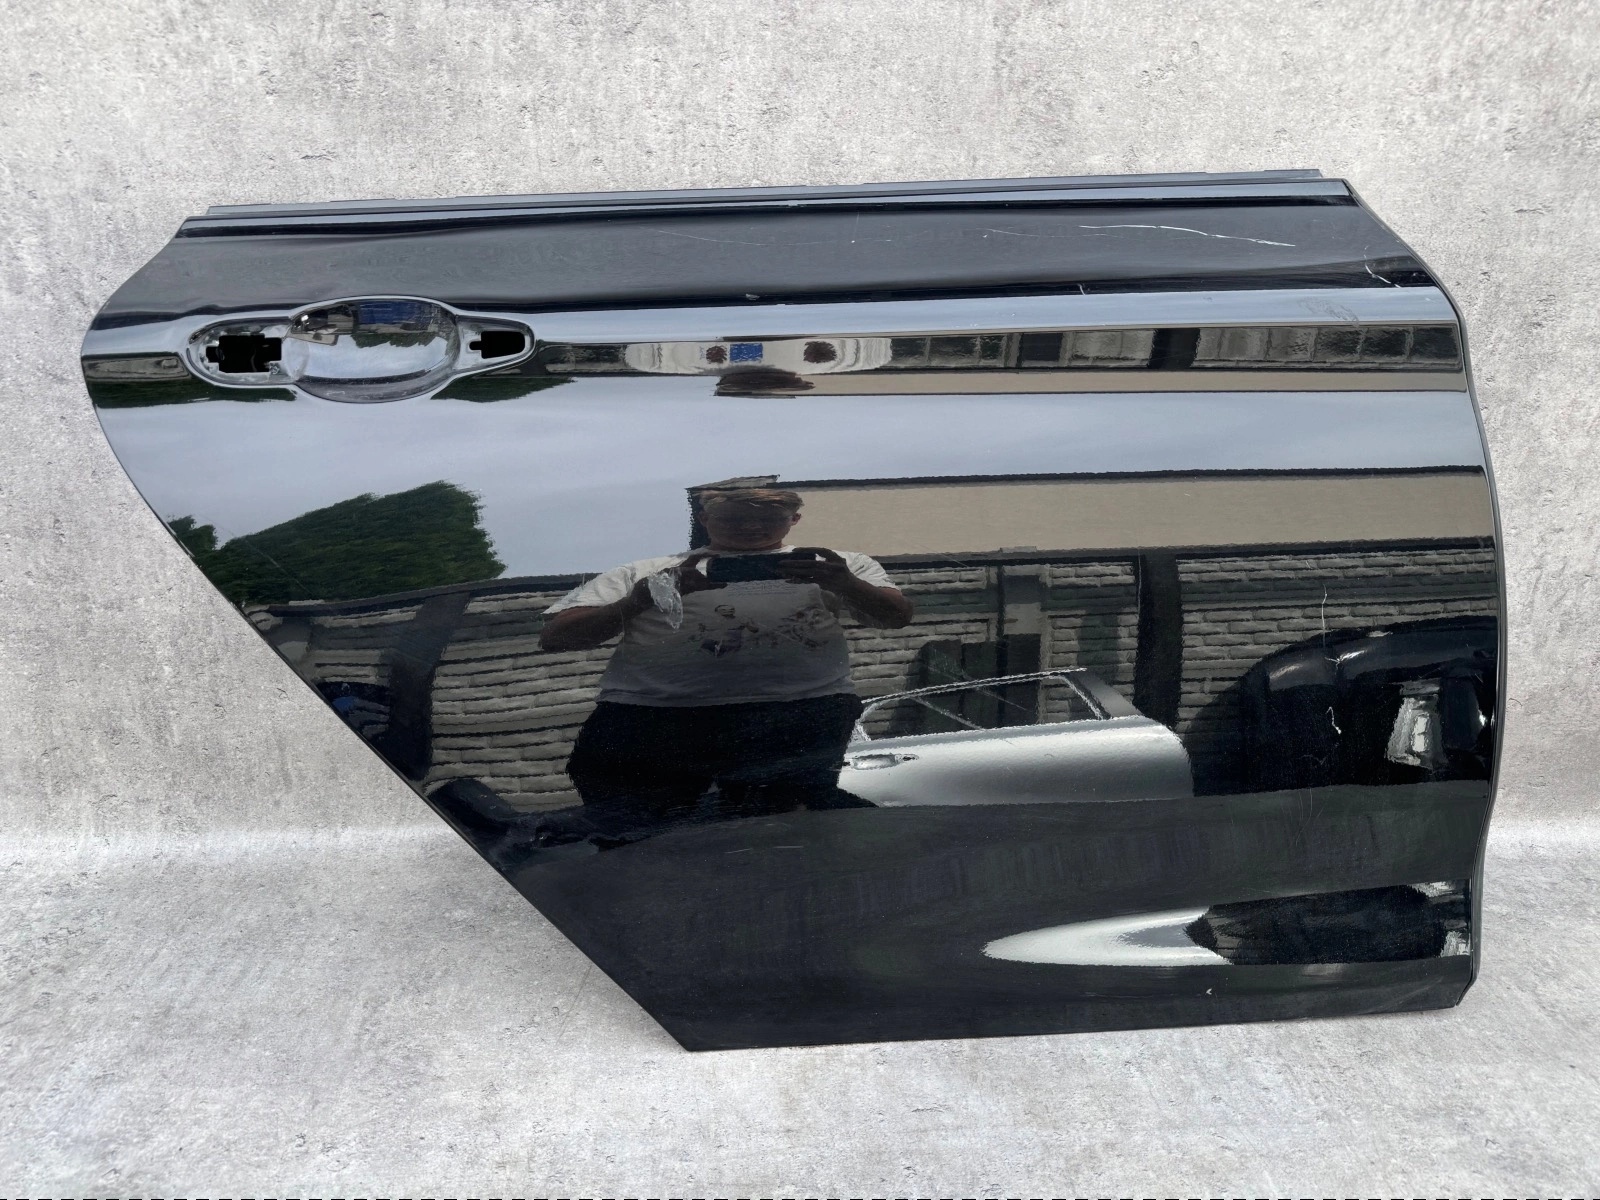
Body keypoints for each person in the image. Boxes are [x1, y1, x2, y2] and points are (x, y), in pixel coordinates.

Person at [536, 486, 913, 845]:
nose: (751, 527)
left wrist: (846, 583)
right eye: (733, 519)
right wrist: (641, 599)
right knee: (634, 828)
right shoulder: (649, 572)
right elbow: (557, 637)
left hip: (797, 715)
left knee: (783, 826)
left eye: (769, 519)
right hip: (654, 719)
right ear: (705, 519)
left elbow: (895, 618)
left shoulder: (838, 566)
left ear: (794, 520)